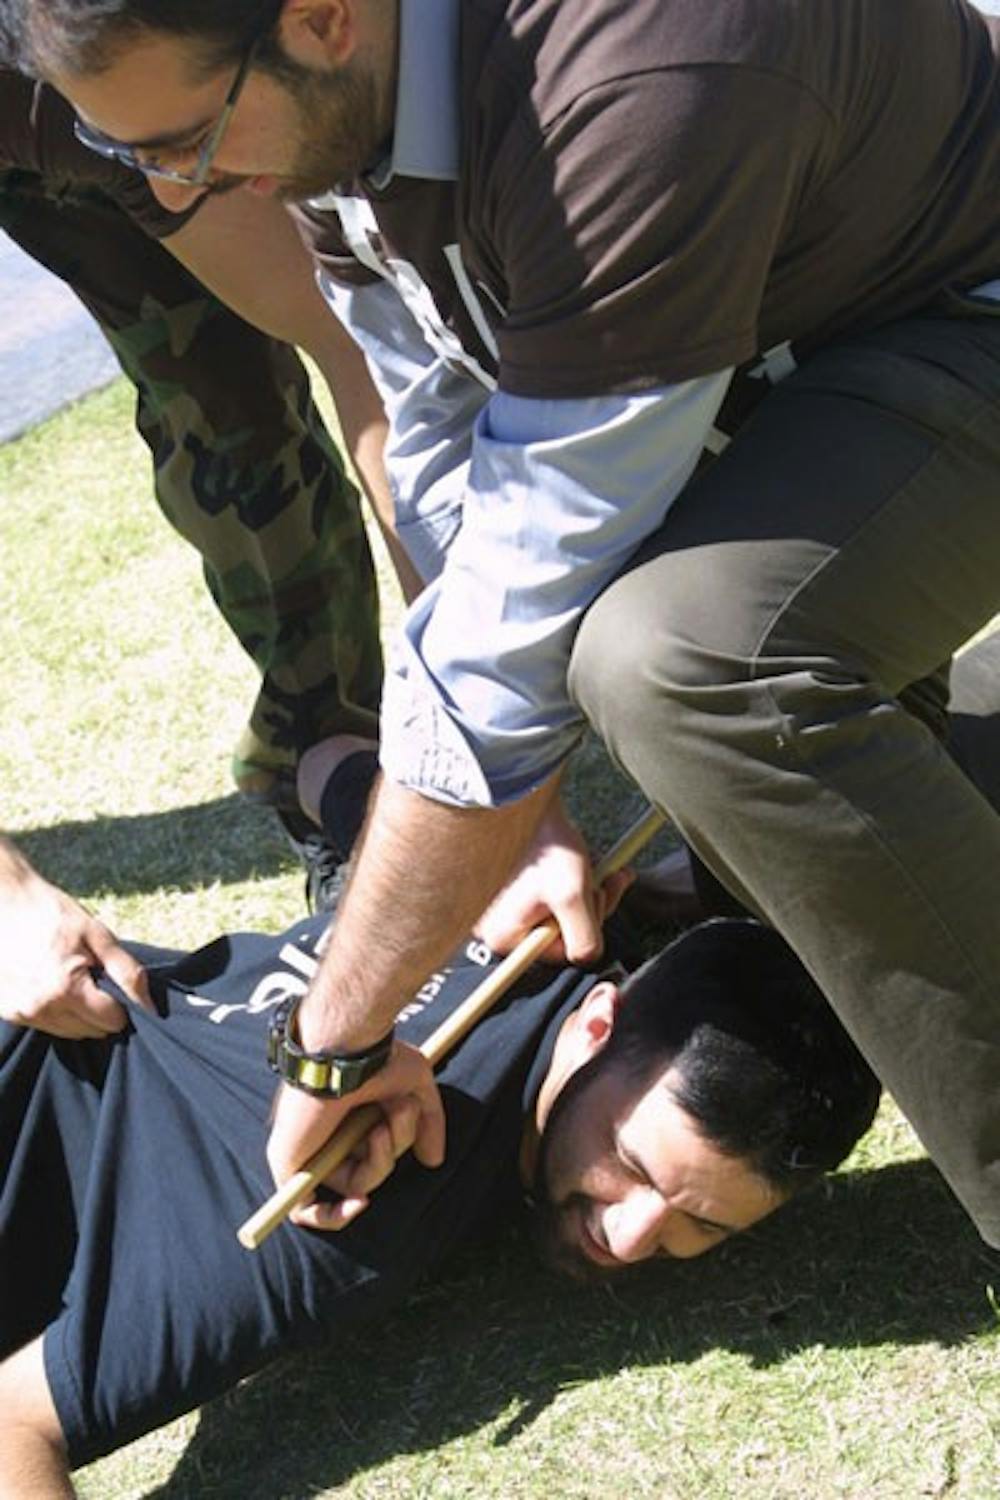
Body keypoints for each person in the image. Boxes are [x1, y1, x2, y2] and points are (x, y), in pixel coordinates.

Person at [8, 0, 1000, 1252]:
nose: (169, 193)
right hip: (820, 344)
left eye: (186, 142)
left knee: (684, 665)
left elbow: (531, 590)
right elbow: (436, 435)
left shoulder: (627, 85)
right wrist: (512, 817)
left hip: (955, 311)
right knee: (665, 678)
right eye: (129, 155)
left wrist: (336, 1038)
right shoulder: (344, 109)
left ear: (318, 20)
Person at [0, 756, 881, 1495]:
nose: (627, 1237)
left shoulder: (498, 894)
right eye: (634, 1167)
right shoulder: (342, 1199)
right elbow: (12, 1424)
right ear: (597, 1025)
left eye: (703, 1225)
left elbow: (327, 766)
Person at [0, 64, 416, 1039]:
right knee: (226, 422)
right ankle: (325, 748)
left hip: (91, 75)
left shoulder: (122, 64)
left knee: (227, 389)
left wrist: (488, 743)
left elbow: (354, 343)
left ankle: (328, 744)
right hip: (61, 98)